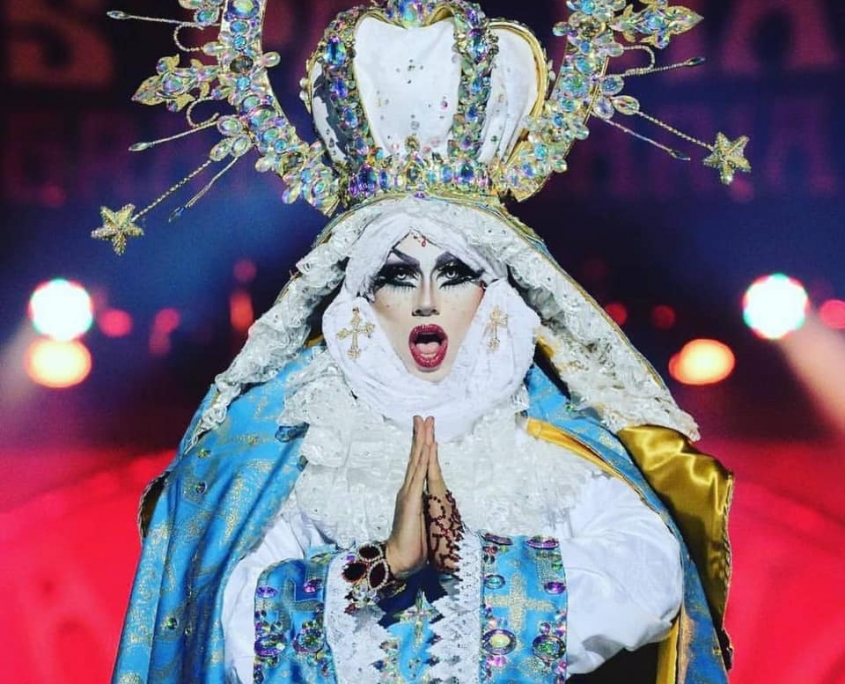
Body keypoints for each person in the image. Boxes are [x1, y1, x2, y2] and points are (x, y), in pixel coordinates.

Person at [106, 1, 741, 683]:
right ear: (359, 297)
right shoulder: (295, 441)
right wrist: (380, 568)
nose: (428, 301)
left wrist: (468, 565)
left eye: (455, 273)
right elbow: (223, 618)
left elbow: (650, 575)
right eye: (397, 276)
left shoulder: (556, 437)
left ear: (495, 292)